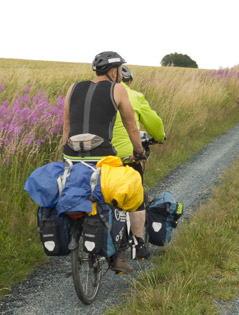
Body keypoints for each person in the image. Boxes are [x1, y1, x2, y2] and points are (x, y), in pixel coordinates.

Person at [61, 51, 146, 273]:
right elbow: (131, 125)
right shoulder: (117, 89)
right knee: (119, 195)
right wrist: (139, 151)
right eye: (119, 70)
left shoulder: (73, 88)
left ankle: (75, 242)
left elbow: (67, 126)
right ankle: (119, 256)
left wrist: (65, 156)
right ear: (114, 71)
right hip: (101, 156)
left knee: (77, 191)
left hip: (71, 154)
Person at [111, 65, 165, 261]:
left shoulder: (100, 95)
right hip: (127, 156)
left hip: (100, 156)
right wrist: (160, 136)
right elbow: (154, 124)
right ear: (129, 81)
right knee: (136, 195)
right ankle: (138, 242)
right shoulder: (134, 96)